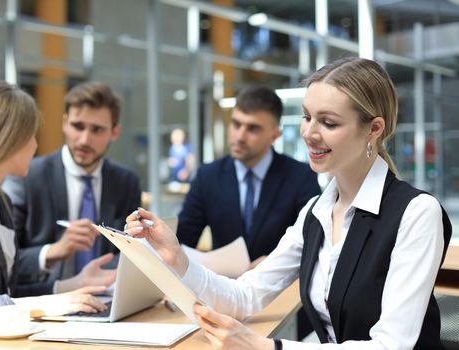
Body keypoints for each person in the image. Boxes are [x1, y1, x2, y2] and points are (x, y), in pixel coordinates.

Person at [125, 57, 452, 349]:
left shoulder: (416, 213)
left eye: (329, 122)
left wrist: (269, 348)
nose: (309, 133)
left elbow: (391, 345)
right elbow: (245, 296)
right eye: (308, 117)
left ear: (374, 129)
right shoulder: (315, 212)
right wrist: (175, 256)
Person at [0, 80, 108, 340]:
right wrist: (42, 306)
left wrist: (71, 287)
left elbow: (5, 293)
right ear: (8, 140)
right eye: (31, 136)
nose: (35, 146)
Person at [2, 82, 141, 293]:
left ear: (114, 132)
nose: (85, 139)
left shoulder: (126, 182)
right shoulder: (26, 176)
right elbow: (1, 263)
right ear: (65, 123)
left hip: (106, 296)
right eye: (78, 126)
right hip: (45, 303)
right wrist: (52, 251)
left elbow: (130, 252)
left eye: (97, 130)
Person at [177, 86, 320, 267]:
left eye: (253, 129)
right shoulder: (208, 176)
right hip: (224, 288)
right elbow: (183, 238)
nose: (240, 136)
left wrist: (274, 263)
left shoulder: (301, 177)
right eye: (236, 124)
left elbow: (313, 241)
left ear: (274, 135)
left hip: (280, 288)